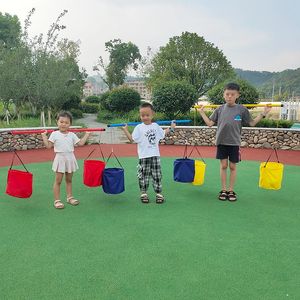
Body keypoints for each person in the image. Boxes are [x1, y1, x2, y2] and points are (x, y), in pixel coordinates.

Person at [198, 82, 271, 202]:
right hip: (221, 142)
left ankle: (231, 191)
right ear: (224, 95)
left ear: (237, 95)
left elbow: (252, 123)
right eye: (227, 94)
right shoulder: (219, 109)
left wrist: (264, 113)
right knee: (223, 166)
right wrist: (201, 112)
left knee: (232, 166)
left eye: (232, 94)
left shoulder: (241, 110)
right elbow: (210, 123)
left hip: (234, 143)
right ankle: (223, 190)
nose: (229, 97)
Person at [122, 103, 176, 204]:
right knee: (143, 175)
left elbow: (163, 133)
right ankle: (143, 193)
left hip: (155, 155)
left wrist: (172, 127)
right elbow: (132, 139)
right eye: (142, 115)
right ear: (140, 115)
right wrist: (125, 130)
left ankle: (159, 193)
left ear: (152, 115)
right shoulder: (139, 127)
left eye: (147, 115)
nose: (145, 117)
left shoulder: (155, 126)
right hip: (143, 156)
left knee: (157, 175)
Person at [41, 111, 91, 209]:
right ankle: (57, 200)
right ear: (57, 122)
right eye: (61, 122)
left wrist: (87, 134)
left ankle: (69, 197)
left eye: (66, 122)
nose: (64, 124)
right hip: (60, 159)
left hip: (70, 158)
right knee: (58, 180)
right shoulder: (54, 134)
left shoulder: (72, 134)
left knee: (69, 180)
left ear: (70, 124)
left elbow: (80, 143)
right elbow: (48, 146)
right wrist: (44, 136)